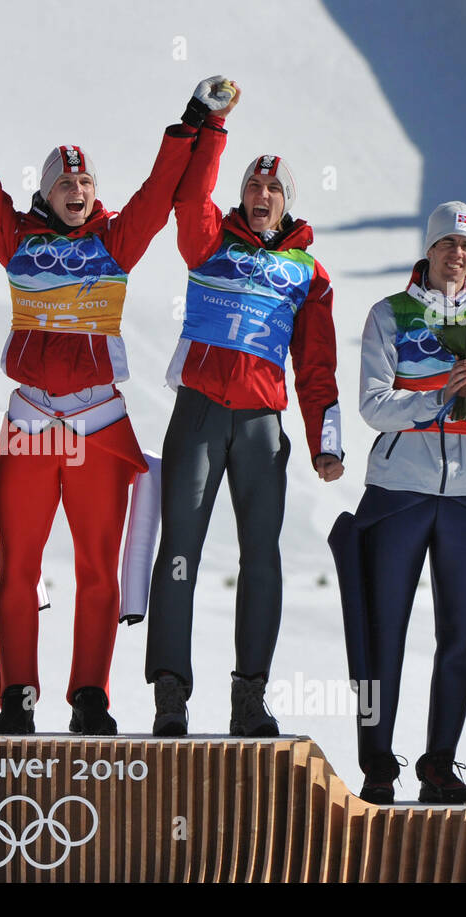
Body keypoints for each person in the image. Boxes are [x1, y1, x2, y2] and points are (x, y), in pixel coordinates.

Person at [0, 37, 225, 733]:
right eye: (66, 183)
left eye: (86, 184)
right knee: (20, 570)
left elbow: (159, 192)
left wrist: (197, 120)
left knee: (97, 569)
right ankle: (16, 696)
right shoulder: (17, 237)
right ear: (47, 189)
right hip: (32, 420)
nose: (78, 193)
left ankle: (90, 693)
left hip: (94, 422)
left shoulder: (116, 241)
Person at [145, 95, 345, 737]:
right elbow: (189, 198)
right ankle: (170, 693)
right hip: (200, 412)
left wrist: (326, 442)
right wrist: (212, 125)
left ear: (287, 202)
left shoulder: (309, 274)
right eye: (253, 187)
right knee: (180, 549)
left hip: (261, 422)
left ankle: (249, 695)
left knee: (262, 555)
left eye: (273, 189)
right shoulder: (208, 241)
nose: (261, 195)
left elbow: (316, 367)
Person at [329, 202, 466, 804]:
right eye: (446, 245)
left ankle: (439, 765)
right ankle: (377, 766)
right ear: (429, 249)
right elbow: (371, 405)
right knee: (383, 627)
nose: (455, 256)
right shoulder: (389, 314)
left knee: (460, 631)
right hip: (398, 488)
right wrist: (439, 393)